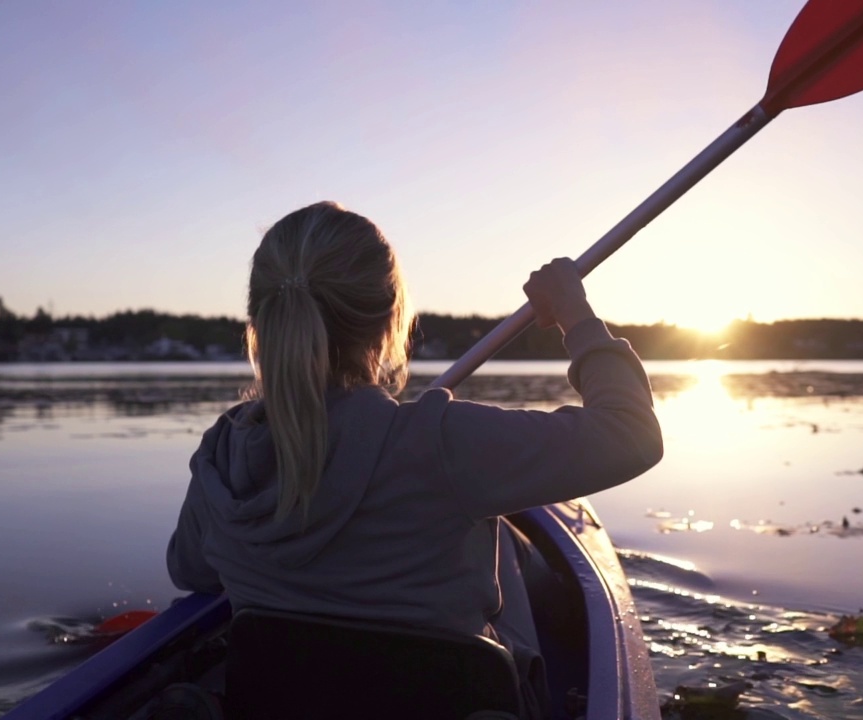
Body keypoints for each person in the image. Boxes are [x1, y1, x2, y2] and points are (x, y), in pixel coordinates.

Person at [166, 201, 662, 717]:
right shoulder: (443, 443)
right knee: (506, 553)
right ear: (389, 319)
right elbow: (632, 434)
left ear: (258, 320)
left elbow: (191, 570)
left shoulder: (221, 455)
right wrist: (575, 315)